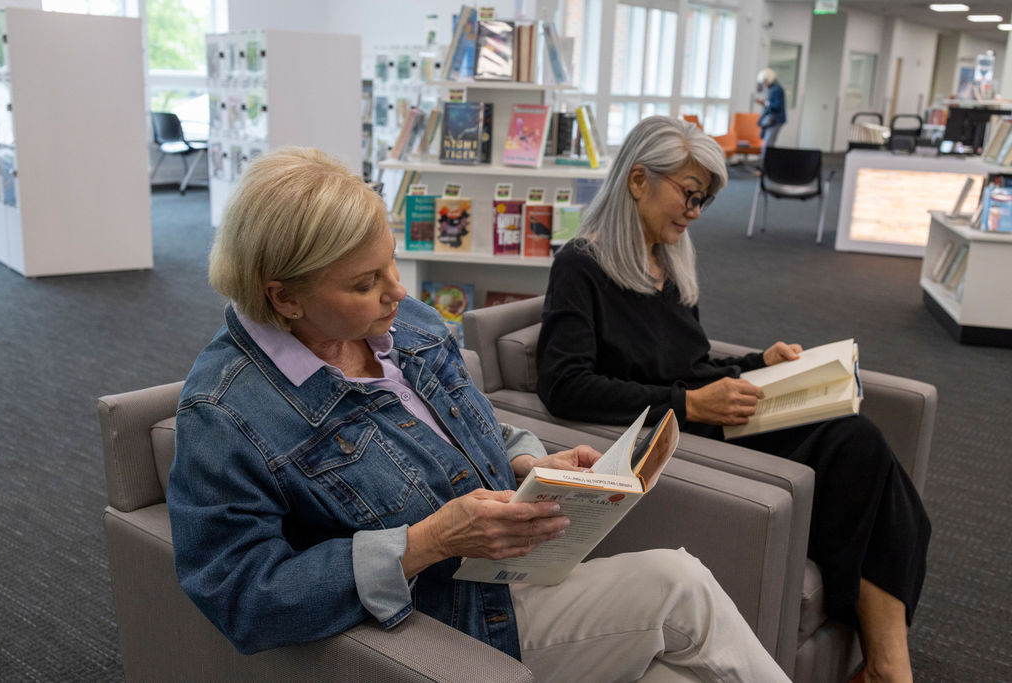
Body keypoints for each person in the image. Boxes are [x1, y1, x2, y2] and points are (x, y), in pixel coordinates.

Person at [166, 147, 788, 683]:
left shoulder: (407, 326)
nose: (398, 291)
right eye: (364, 283)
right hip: (448, 618)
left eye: (391, 263)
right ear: (283, 296)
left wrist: (528, 459)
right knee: (681, 586)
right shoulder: (226, 412)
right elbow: (242, 595)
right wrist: (424, 543)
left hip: (513, 574)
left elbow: (470, 420)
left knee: (680, 672)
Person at [536, 117, 931, 683]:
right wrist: (690, 404)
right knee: (859, 445)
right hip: (683, 431)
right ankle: (891, 669)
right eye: (690, 195)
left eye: (705, 201)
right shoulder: (581, 264)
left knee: (860, 444)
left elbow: (689, 360)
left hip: (708, 411)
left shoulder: (666, 260)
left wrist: (755, 364)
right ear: (639, 179)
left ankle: (887, 667)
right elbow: (565, 385)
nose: (694, 213)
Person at [755, 68, 786, 163]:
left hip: (775, 120)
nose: (763, 84)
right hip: (771, 120)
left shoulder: (777, 89)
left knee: (768, 145)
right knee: (768, 144)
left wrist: (765, 103)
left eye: (764, 81)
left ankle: (764, 168)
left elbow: (776, 106)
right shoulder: (772, 89)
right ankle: (766, 167)